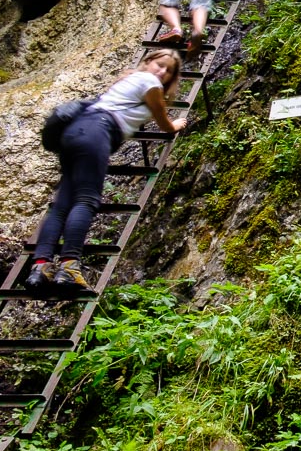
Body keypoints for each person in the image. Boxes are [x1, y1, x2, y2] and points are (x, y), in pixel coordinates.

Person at [26, 51, 187, 292]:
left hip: (74, 131)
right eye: (159, 65)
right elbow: (164, 123)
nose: (162, 72)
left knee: (62, 204)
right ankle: (69, 267)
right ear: (148, 63)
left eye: (169, 70)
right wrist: (176, 124)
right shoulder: (150, 83)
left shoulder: (128, 81)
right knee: (86, 200)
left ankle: (40, 267)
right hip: (98, 132)